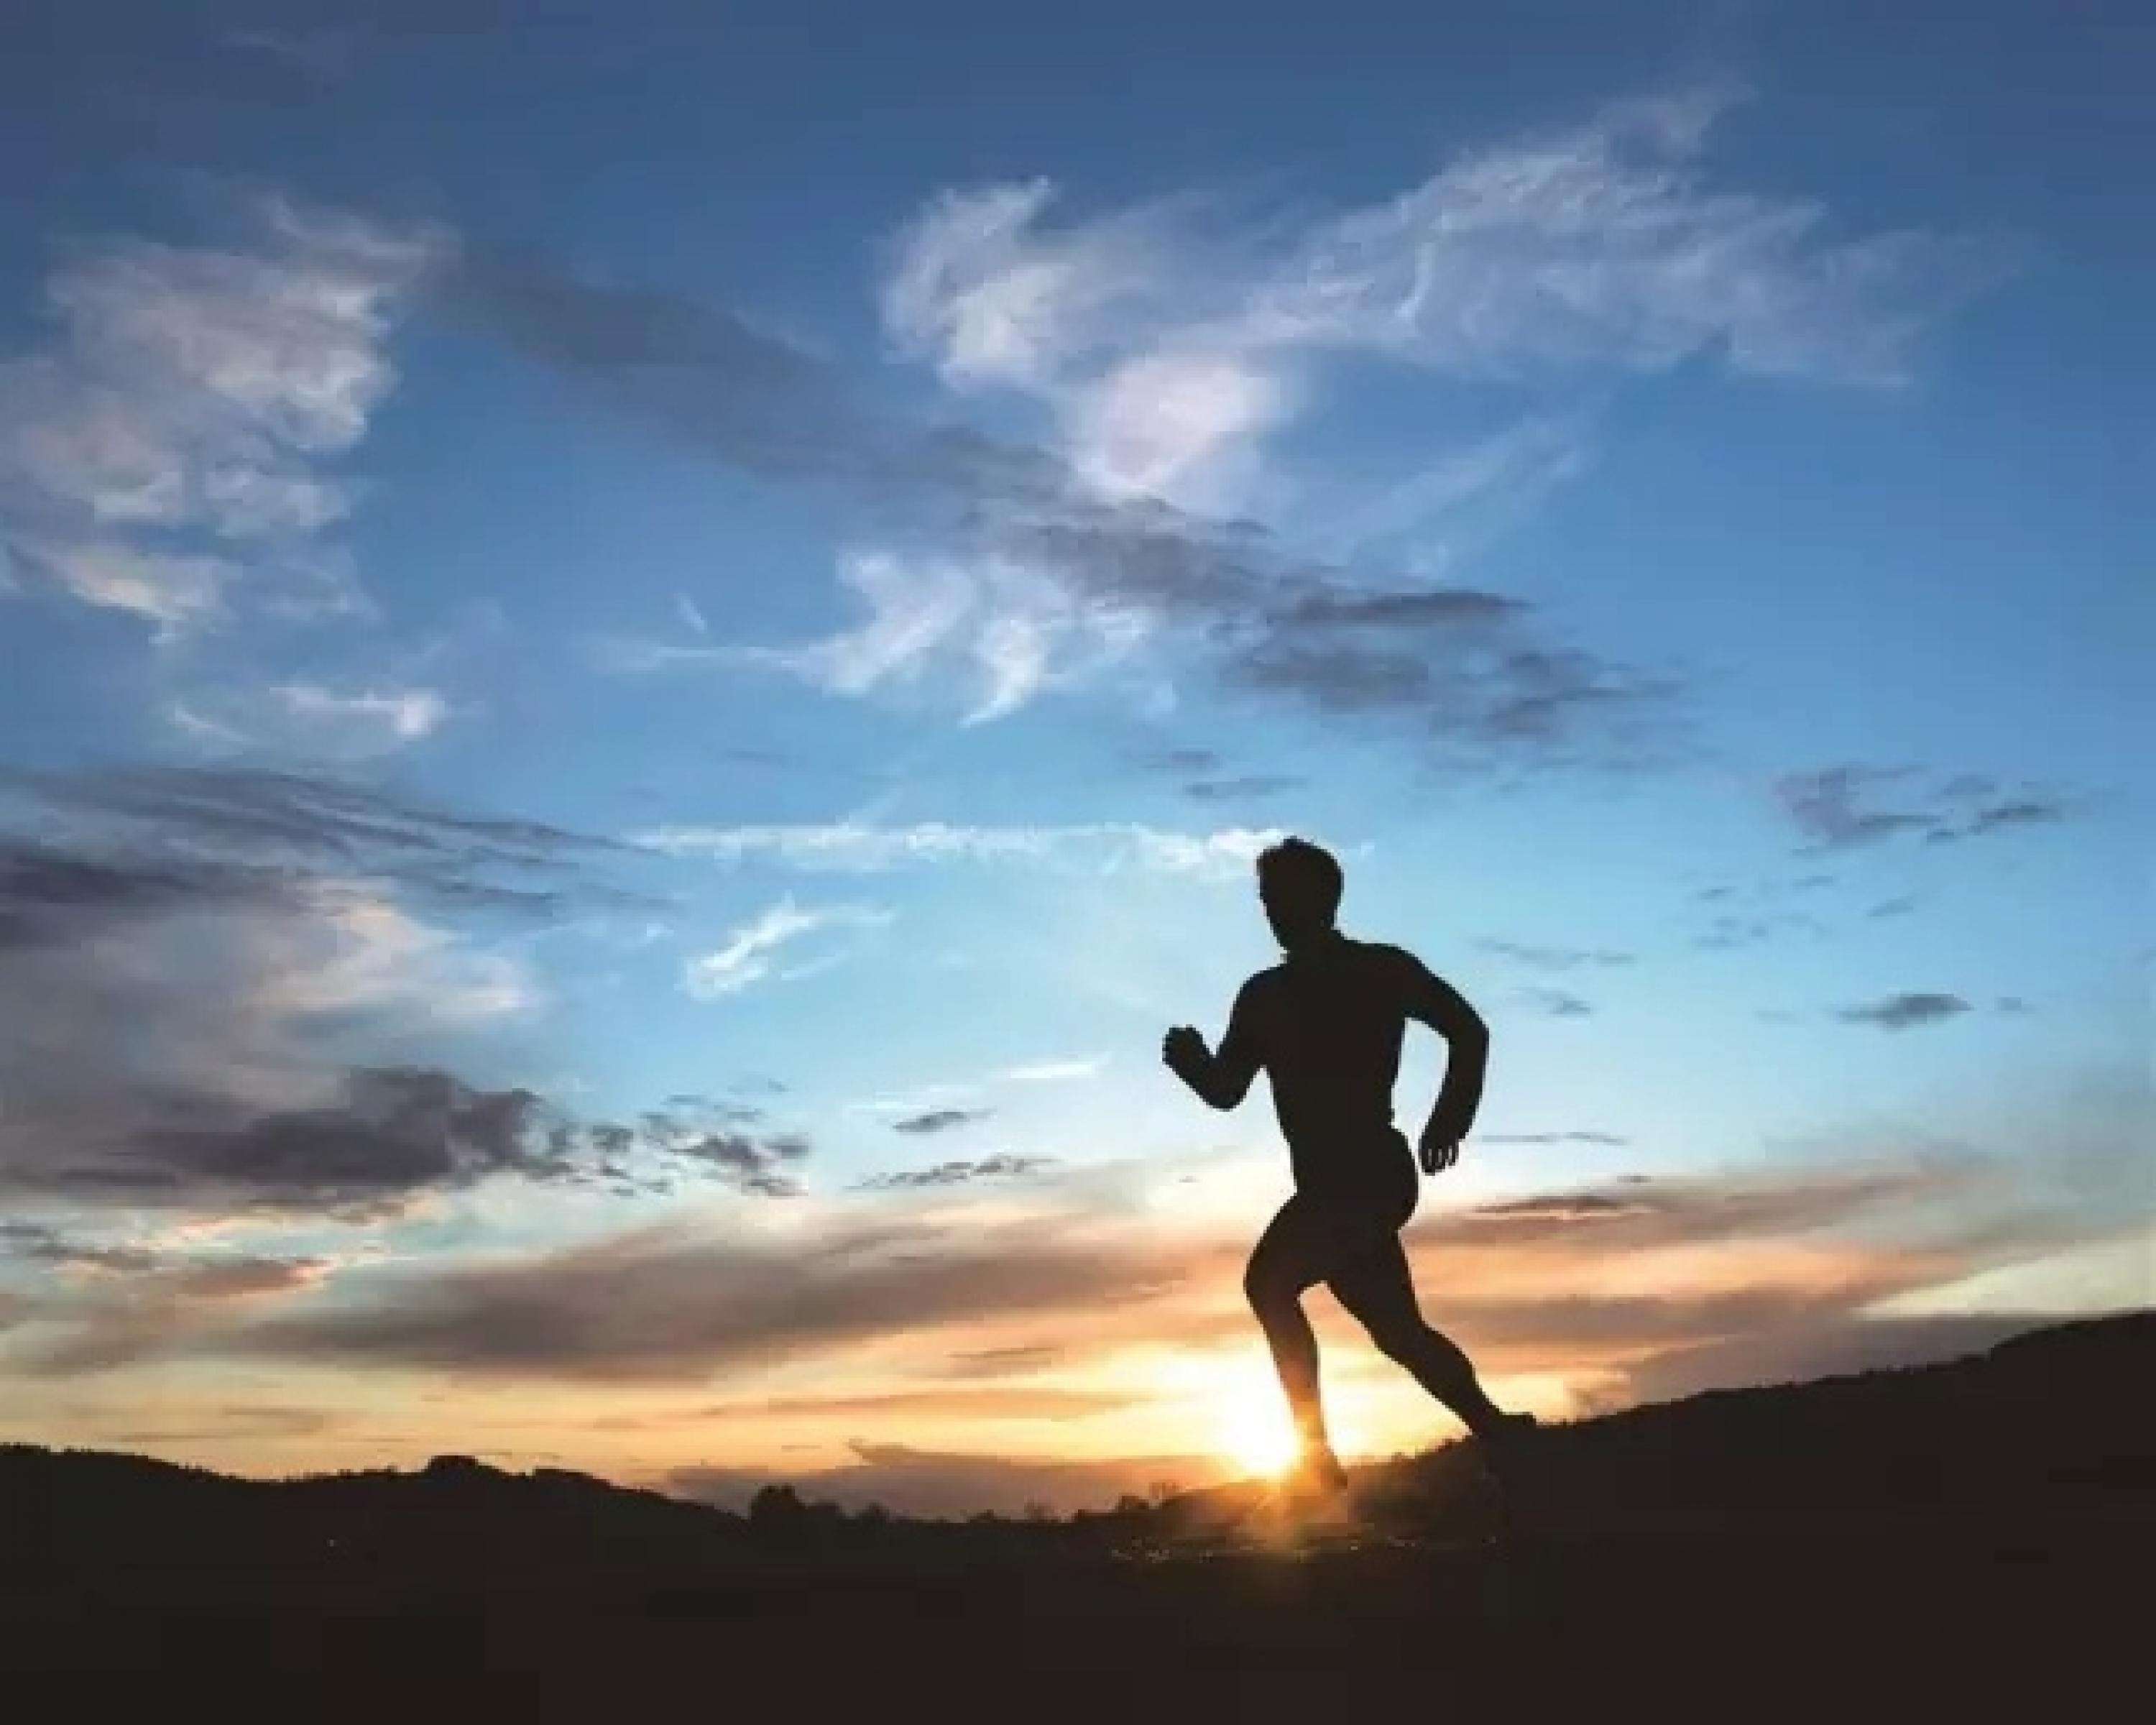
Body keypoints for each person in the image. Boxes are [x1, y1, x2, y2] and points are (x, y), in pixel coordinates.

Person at [1163, 835, 1536, 1495]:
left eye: (1285, 898)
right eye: (1268, 900)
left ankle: (1314, 1458)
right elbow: (1227, 1089)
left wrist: (1452, 1114)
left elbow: (1467, 1029)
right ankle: (1500, 1433)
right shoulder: (1263, 996)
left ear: (1324, 900)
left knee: (1269, 1285)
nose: (1274, 911)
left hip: (1369, 1176)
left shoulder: (1378, 971)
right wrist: (1190, 1064)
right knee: (1398, 1332)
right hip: (1328, 1185)